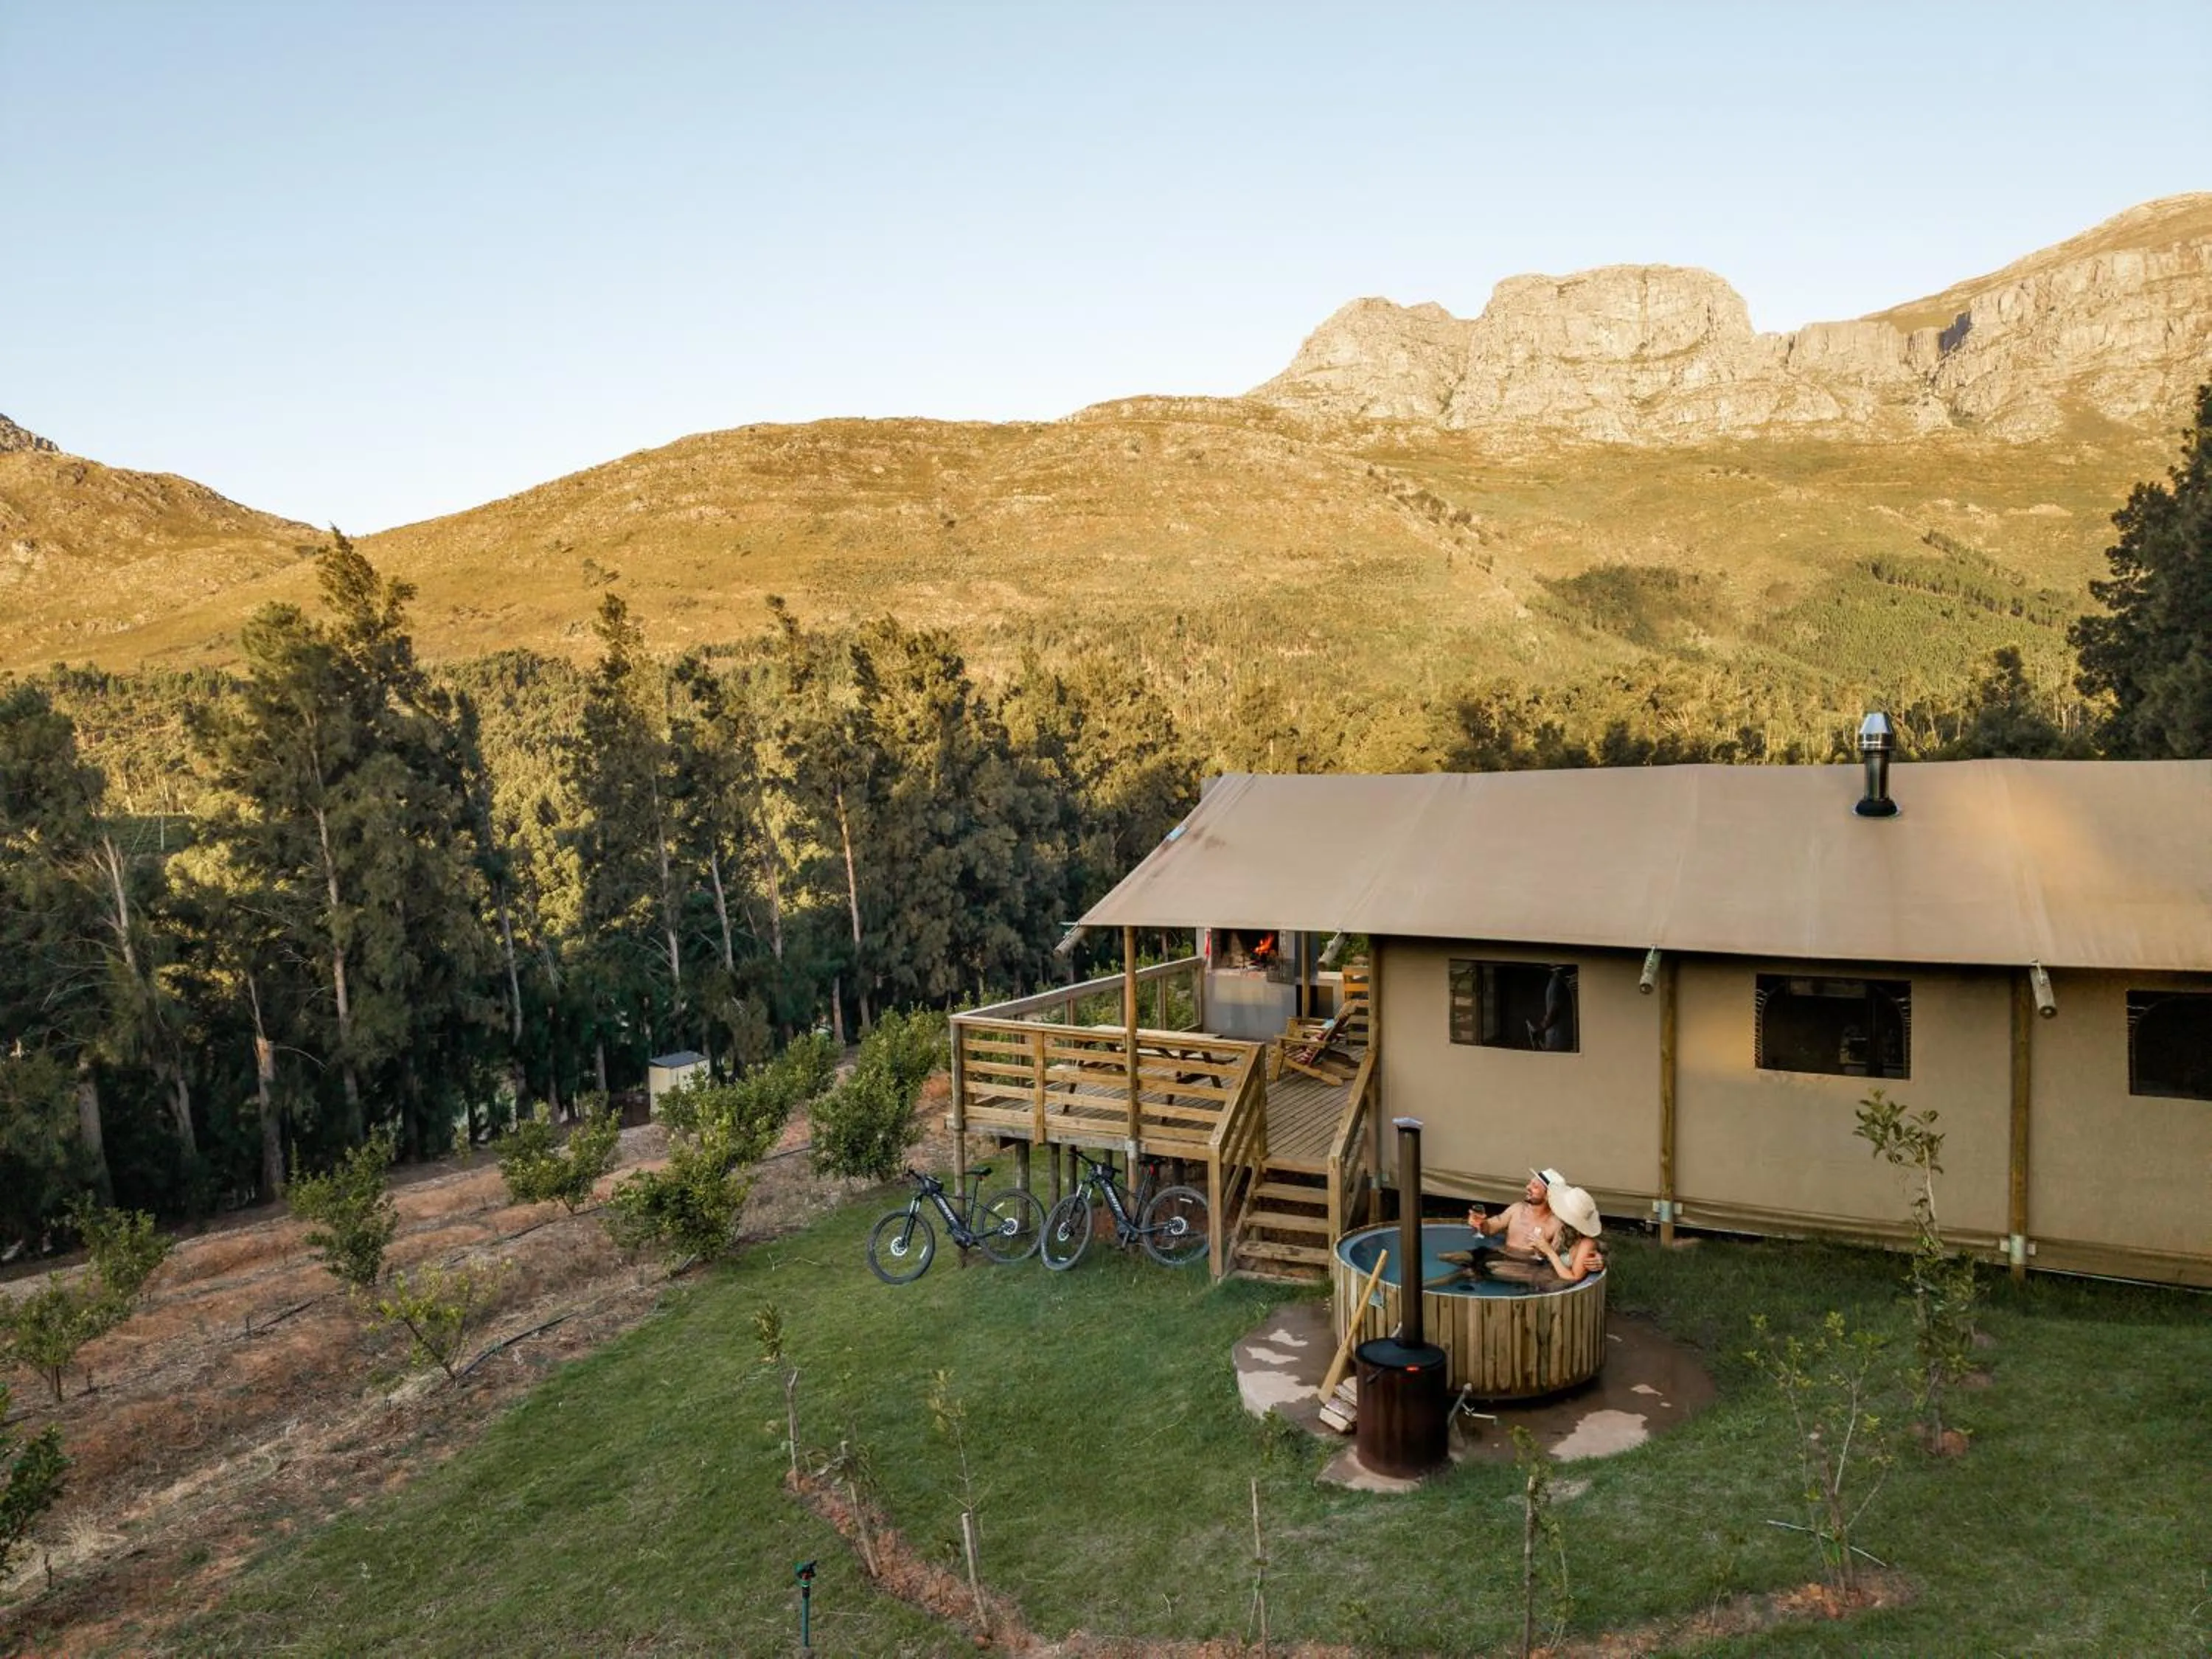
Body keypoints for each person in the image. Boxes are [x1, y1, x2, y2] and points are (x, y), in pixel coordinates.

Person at [1465, 1168, 1566, 1257]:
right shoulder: (1517, 1209)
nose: (1528, 1187)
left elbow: (1555, 1258)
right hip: (1502, 1255)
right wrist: (1480, 1223)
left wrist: (1544, 1251)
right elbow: (1490, 1228)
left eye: (1535, 1186)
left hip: (1526, 1266)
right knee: (1452, 1257)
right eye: (1530, 1183)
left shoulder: (1556, 1224)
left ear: (1548, 1196)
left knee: (1473, 1270)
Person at [1534, 1184, 1605, 1282]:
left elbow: (1574, 1277)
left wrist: (1549, 1251)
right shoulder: (1563, 1231)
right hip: (1546, 1276)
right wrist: (1541, 1251)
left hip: (1560, 1287)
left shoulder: (1586, 1243)